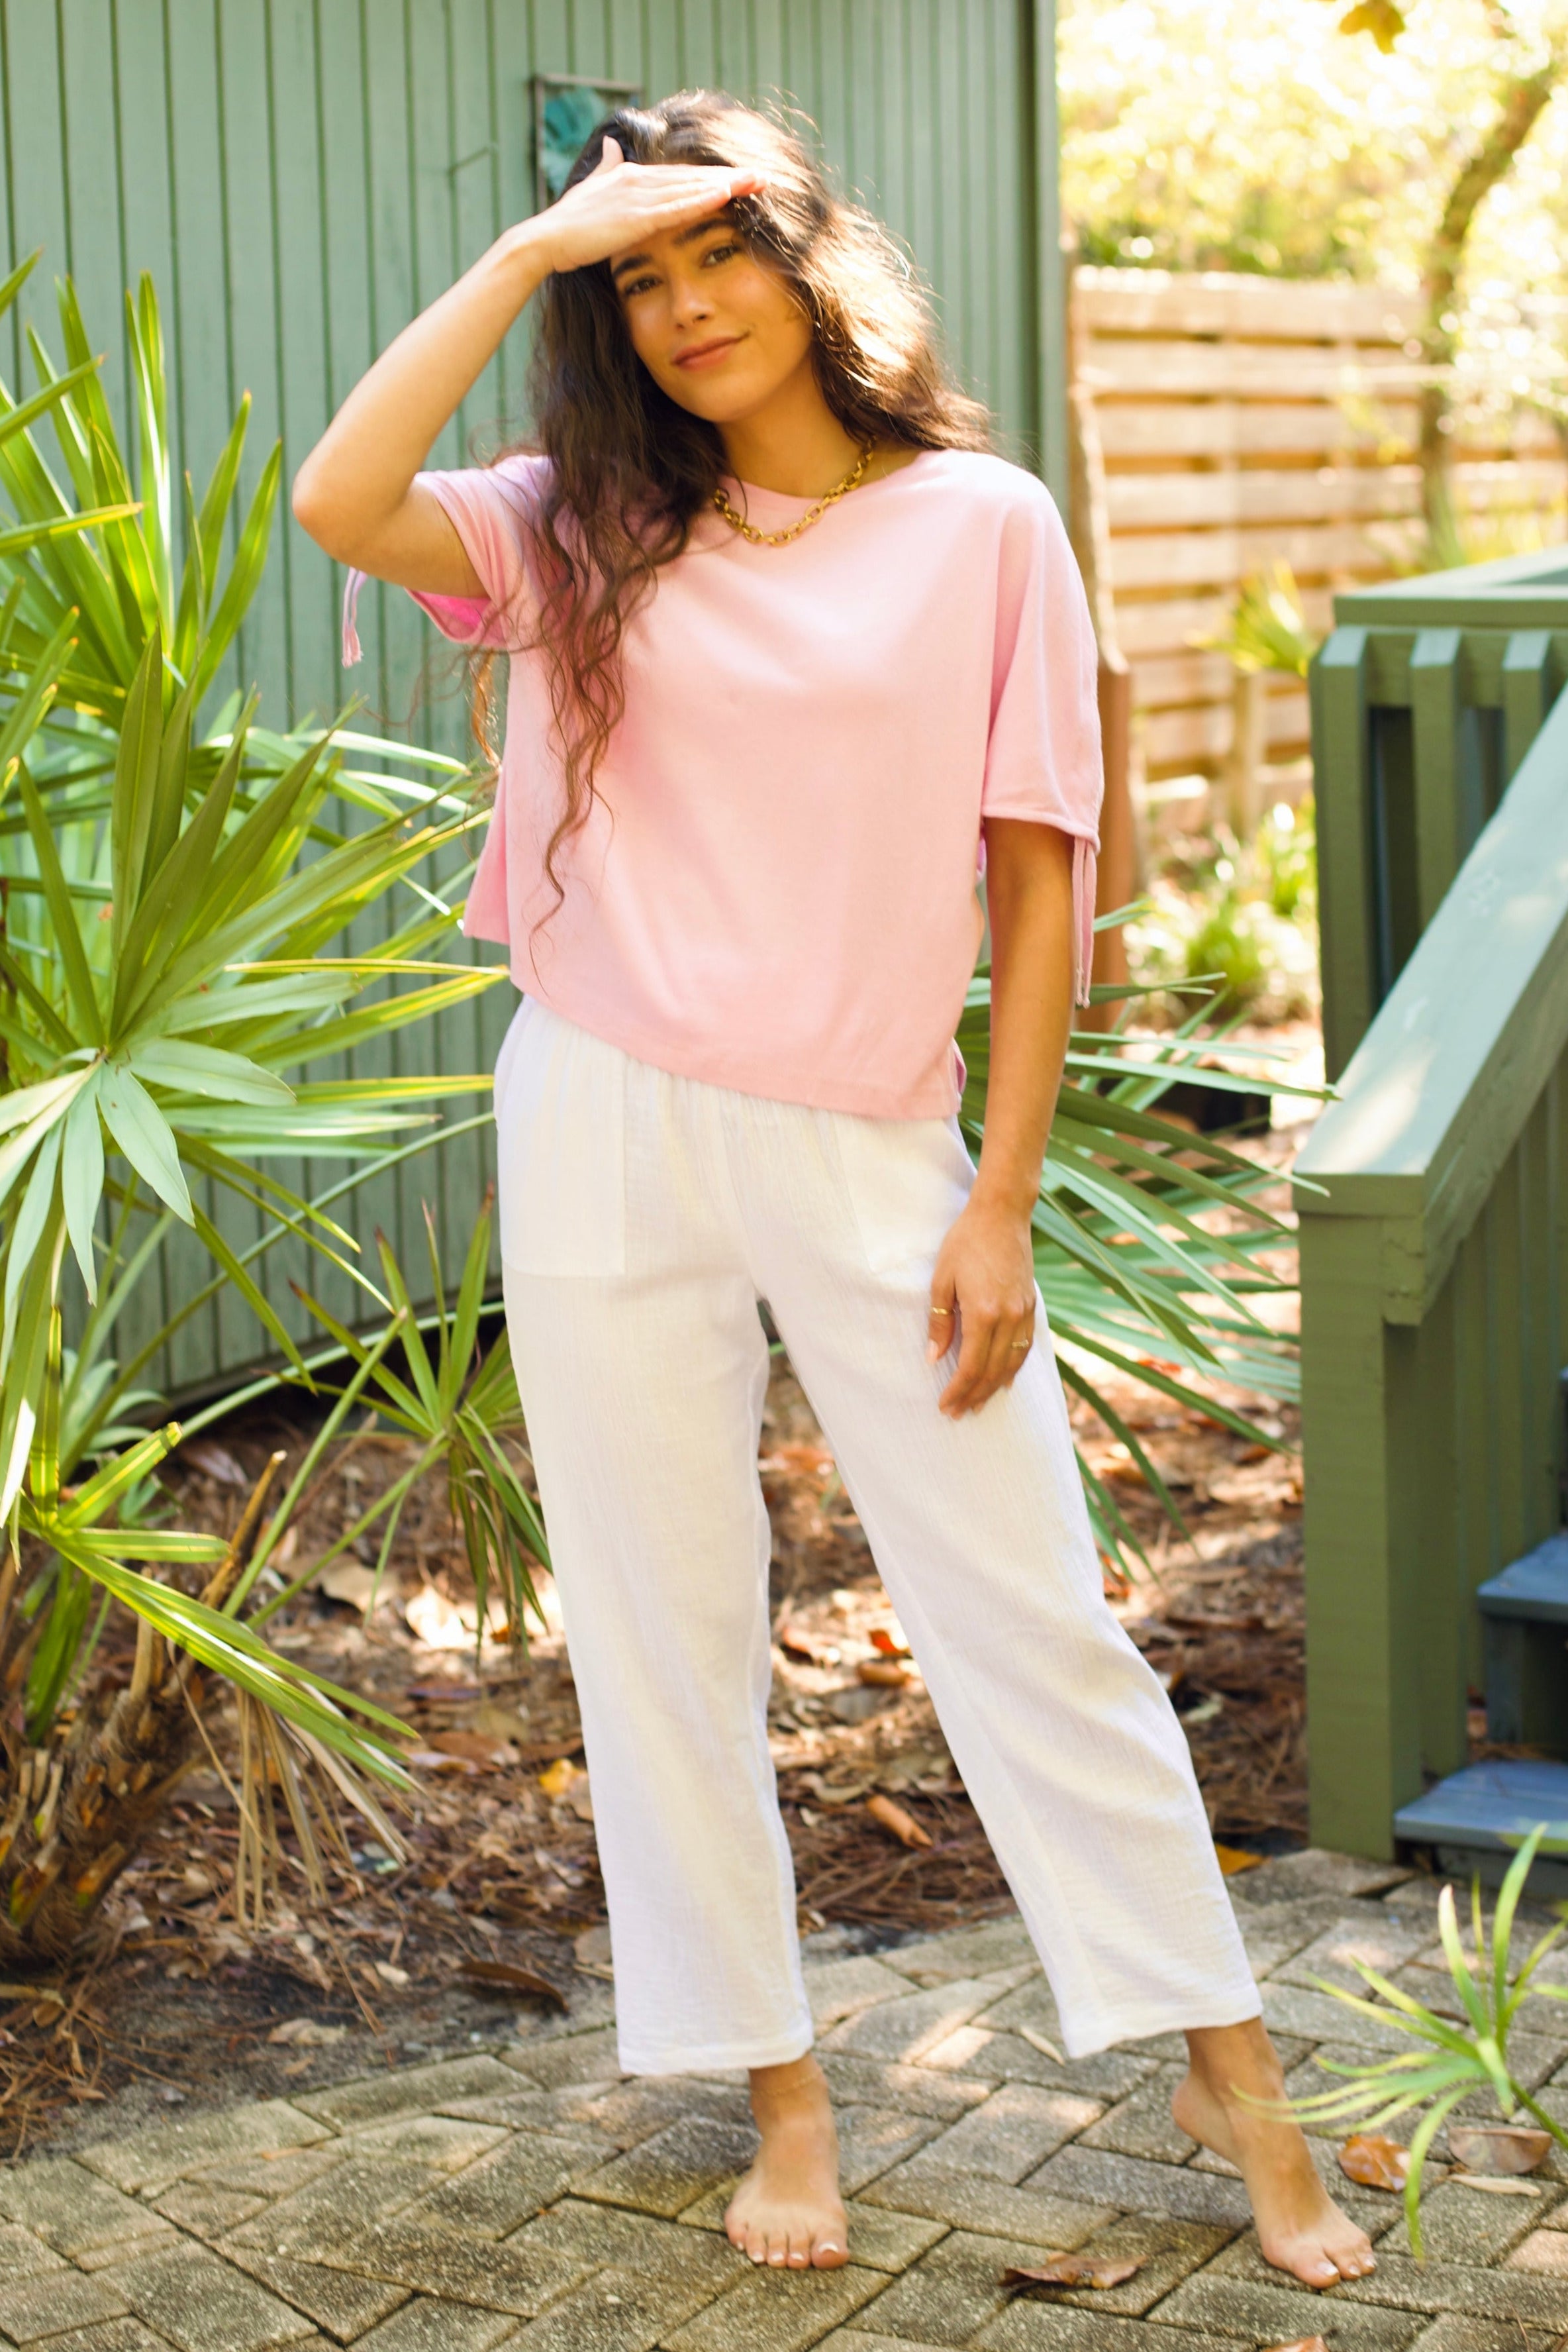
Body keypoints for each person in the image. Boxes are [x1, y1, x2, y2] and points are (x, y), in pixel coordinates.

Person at [291, 89, 1373, 2290]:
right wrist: (522, 257)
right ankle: (780, 2087)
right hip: (598, 1108)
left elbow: (1040, 874)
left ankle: (1229, 2072)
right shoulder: (581, 526)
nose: (686, 307)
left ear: (808, 260)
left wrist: (1004, 1197)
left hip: (870, 1135)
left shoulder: (982, 524)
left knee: (1029, 1605)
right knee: (663, 1618)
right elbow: (339, 499)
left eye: (720, 252)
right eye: (638, 279)